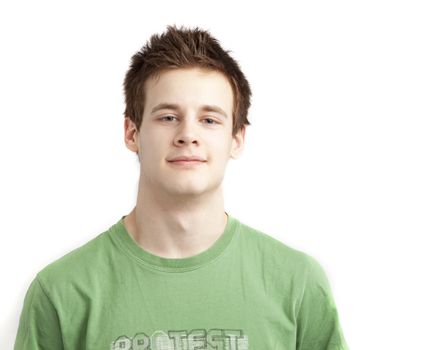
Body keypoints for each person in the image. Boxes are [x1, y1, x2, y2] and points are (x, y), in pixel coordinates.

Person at [14, 23, 349, 350]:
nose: (188, 135)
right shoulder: (60, 292)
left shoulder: (298, 283)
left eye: (209, 120)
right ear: (132, 133)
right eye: (168, 117)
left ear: (236, 138)